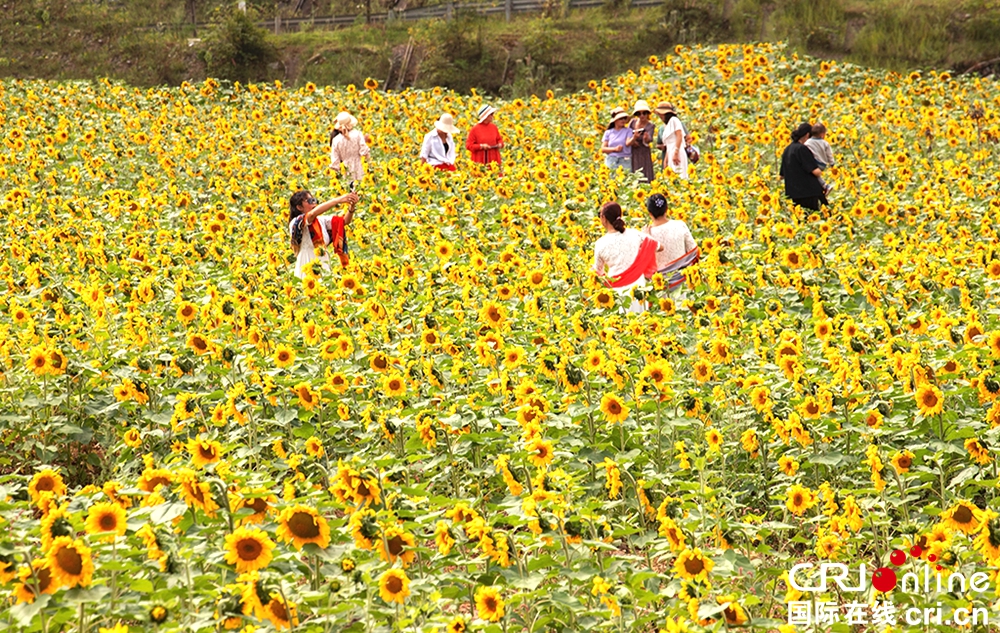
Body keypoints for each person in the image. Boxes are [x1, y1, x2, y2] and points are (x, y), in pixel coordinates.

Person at [593, 201, 660, 313]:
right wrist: (646, 240)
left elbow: (598, 272)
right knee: (641, 322)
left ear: (603, 218)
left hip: (617, 292)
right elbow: (658, 246)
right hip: (637, 288)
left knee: (620, 325)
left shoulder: (600, 243)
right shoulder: (635, 234)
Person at [288, 189, 359, 279]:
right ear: (299, 207)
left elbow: (344, 221)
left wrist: (352, 206)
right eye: (309, 201)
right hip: (307, 265)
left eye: (313, 200)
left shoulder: (321, 220)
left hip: (323, 265)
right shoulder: (296, 222)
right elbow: (312, 215)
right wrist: (338, 200)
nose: (313, 203)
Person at [642, 193, 699, 292]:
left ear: (649, 213)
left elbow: (643, 264)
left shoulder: (646, 234)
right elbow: (694, 252)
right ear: (667, 208)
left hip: (661, 287)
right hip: (683, 285)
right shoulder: (680, 225)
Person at [780, 122, 825, 210]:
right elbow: (816, 172)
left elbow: (782, 176)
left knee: (801, 220)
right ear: (807, 135)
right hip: (809, 193)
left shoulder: (787, 149)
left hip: (793, 194)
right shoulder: (802, 149)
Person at [329, 111, 371, 183]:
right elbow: (364, 152)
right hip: (360, 169)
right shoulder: (358, 134)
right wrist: (369, 165)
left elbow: (335, 163)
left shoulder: (336, 140)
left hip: (346, 172)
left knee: (350, 192)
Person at [656, 102, 688, 180]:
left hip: (677, 150)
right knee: (671, 176)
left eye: (661, 114)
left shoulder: (674, 120)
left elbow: (679, 135)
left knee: (679, 174)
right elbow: (668, 145)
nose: (660, 116)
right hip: (670, 152)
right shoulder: (666, 125)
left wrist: (676, 152)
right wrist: (665, 160)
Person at [627, 100, 656, 183]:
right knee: (634, 172)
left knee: (645, 172)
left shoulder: (650, 125)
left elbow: (649, 139)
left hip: (644, 152)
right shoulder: (632, 122)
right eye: (639, 113)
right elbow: (627, 135)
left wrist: (646, 139)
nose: (642, 115)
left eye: (644, 113)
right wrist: (633, 140)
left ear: (647, 114)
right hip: (633, 151)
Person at [805, 123, 835, 195]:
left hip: (815, 163)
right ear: (822, 134)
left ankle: (825, 186)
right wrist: (832, 163)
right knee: (814, 175)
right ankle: (822, 188)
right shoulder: (825, 143)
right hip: (822, 164)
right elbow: (829, 154)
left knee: (810, 172)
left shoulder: (807, 143)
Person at [601, 108, 633, 172]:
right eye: (621, 118)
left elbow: (628, 143)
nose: (623, 120)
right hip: (611, 159)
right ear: (615, 120)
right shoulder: (608, 132)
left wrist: (634, 137)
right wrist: (615, 149)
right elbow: (603, 149)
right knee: (611, 180)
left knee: (625, 178)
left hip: (625, 160)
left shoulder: (628, 131)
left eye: (624, 118)